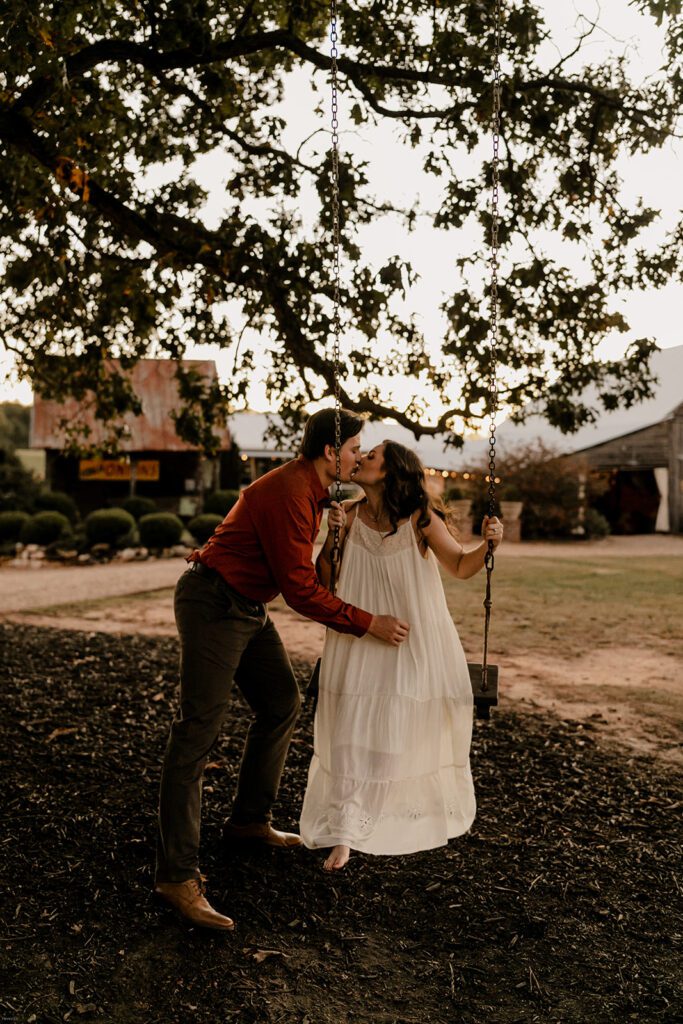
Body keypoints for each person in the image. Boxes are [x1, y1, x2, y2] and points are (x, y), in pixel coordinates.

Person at [154, 409, 409, 929]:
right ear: (330, 453)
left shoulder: (316, 490)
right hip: (214, 603)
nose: (360, 456)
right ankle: (175, 874)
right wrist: (368, 623)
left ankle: (249, 821)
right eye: (355, 448)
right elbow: (301, 592)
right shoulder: (291, 493)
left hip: (246, 606)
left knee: (281, 704)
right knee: (197, 731)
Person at [300, 441, 503, 870]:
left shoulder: (419, 519)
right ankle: (344, 831)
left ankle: (373, 816)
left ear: (390, 472)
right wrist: (332, 535)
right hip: (359, 638)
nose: (361, 459)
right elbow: (326, 580)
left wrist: (488, 545)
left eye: (370, 456)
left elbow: (462, 567)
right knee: (350, 732)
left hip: (410, 640)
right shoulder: (349, 515)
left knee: (391, 732)